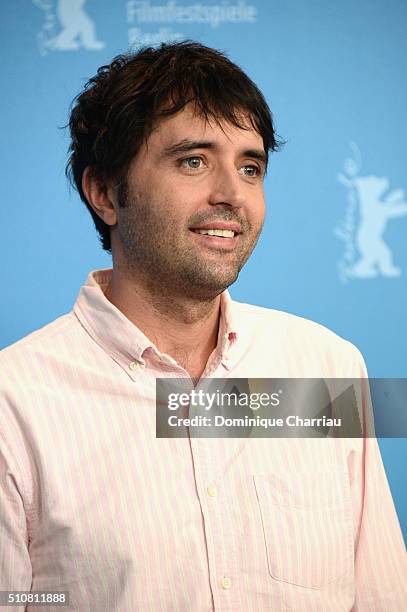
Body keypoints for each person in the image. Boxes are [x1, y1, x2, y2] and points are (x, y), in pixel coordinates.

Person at [0, 41, 405, 611]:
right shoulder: (12, 403)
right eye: (193, 161)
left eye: (250, 167)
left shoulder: (328, 368)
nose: (231, 195)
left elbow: (384, 597)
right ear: (105, 193)